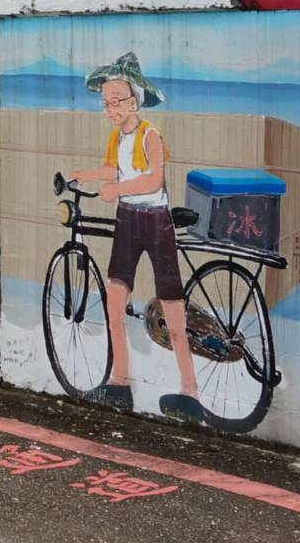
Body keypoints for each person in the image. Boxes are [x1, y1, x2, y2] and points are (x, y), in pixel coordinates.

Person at [67, 54, 208, 425]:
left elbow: (153, 181)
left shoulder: (150, 136)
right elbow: (112, 168)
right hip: (127, 220)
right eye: (106, 103)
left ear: (135, 100)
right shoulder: (117, 137)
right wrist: (83, 175)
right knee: (115, 302)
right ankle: (120, 381)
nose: (110, 109)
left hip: (155, 221)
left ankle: (189, 389)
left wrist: (117, 188)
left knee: (172, 308)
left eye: (117, 101)